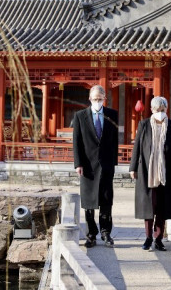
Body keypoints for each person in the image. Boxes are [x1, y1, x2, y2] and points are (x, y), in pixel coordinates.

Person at [129, 96, 171, 251]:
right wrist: (132, 168)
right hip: (147, 171)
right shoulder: (144, 124)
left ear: (166, 110)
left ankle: (158, 239)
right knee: (149, 206)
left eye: (162, 110)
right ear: (152, 110)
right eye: (157, 110)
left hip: (166, 172)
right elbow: (137, 148)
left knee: (162, 206)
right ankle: (147, 238)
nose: (160, 113)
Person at [72, 85, 119, 248]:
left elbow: (114, 141)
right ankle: (91, 234)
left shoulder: (112, 115)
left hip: (106, 164)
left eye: (100, 99)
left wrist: (114, 162)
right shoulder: (80, 116)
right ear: (90, 99)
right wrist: (78, 163)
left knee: (106, 200)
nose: (97, 101)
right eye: (95, 99)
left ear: (104, 98)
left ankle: (106, 233)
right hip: (87, 166)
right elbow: (76, 141)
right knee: (89, 202)